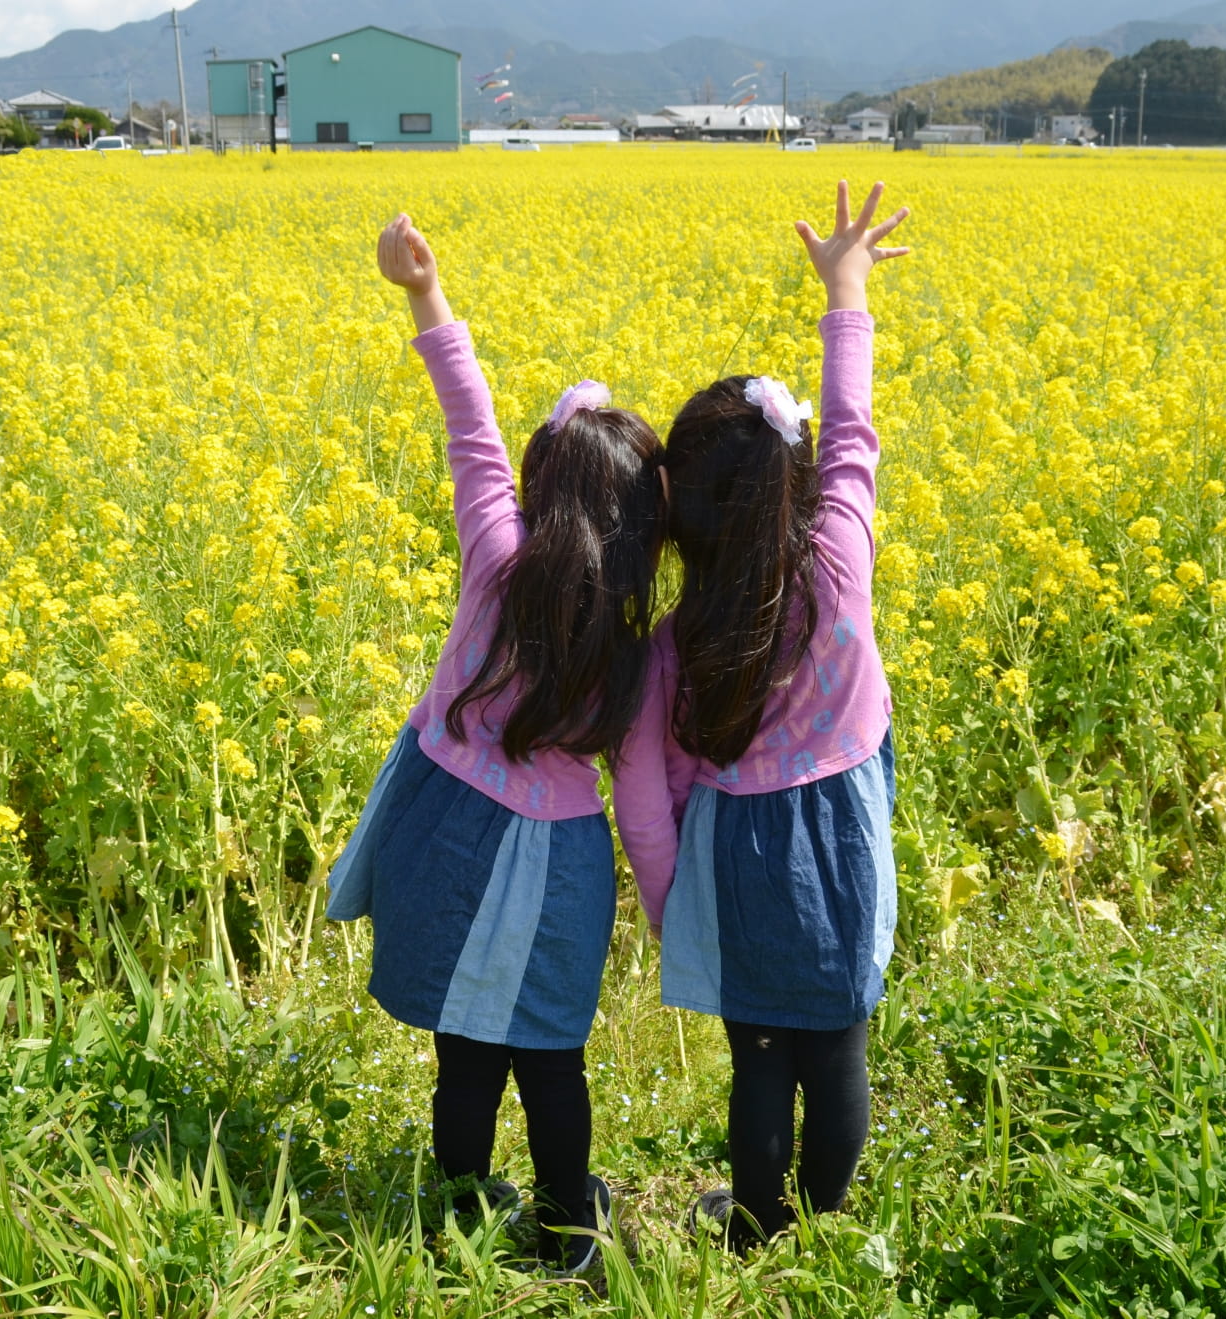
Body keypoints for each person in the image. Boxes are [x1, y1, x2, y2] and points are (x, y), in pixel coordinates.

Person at [327, 213, 667, 1275]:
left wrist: (425, 293)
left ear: (540, 482)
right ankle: (569, 1223)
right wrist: (672, 911)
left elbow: (468, 423)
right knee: (551, 1054)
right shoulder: (636, 642)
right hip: (561, 859)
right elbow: (647, 794)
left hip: (450, 834)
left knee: (465, 1056)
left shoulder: (497, 560)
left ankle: (456, 1223)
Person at [614, 180, 910, 1250]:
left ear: (678, 526)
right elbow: (855, 435)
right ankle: (826, 1221)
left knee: (761, 1063)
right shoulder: (840, 570)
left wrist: (672, 909)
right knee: (838, 1051)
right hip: (839, 843)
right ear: (796, 483)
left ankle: (751, 1223)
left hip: (733, 865)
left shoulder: (673, 646)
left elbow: (648, 802)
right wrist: (846, 288)